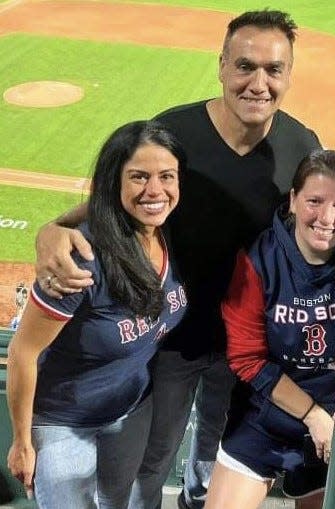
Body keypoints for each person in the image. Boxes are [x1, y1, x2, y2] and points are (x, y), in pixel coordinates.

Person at [33, 10, 321, 509]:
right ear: (222, 66)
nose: (258, 83)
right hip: (166, 337)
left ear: (289, 74)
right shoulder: (175, 130)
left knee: (217, 451)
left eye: (274, 70)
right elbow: (116, 194)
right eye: (245, 66)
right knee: (155, 453)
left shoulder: (301, 145)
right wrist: (53, 228)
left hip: (245, 347)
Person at [203, 149, 335, 509]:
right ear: (294, 200)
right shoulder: (259, 259)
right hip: (265, 418)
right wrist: (312, 414)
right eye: (314, 201)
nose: (326, 218)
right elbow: (247, 357)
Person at [7, 120, 187, 509]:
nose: (155, 190)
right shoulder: (81, 259)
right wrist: (22, 442)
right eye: (138, 177)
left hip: (131, 408)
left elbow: (142, 201)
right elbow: (23, 351)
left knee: (117, 501)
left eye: (166, 176)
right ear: (114, 181)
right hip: (64, 422)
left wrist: (52, 223)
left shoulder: (169, 229)